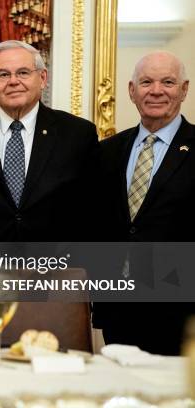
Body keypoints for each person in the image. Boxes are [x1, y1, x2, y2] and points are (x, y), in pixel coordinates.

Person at [0, 40, 99, 242]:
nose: (13, 81)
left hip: (55, 266)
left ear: (42, 78)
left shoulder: (78, 134)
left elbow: (95, 209)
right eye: (3, 74)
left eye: (23, 72)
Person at [94, 51, 195, 355]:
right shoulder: (106, 151)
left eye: (168, 82)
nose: (156, 90)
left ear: (184, 89)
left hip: (182, 310)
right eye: (146, 82)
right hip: (119, 309)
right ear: (131, 91)